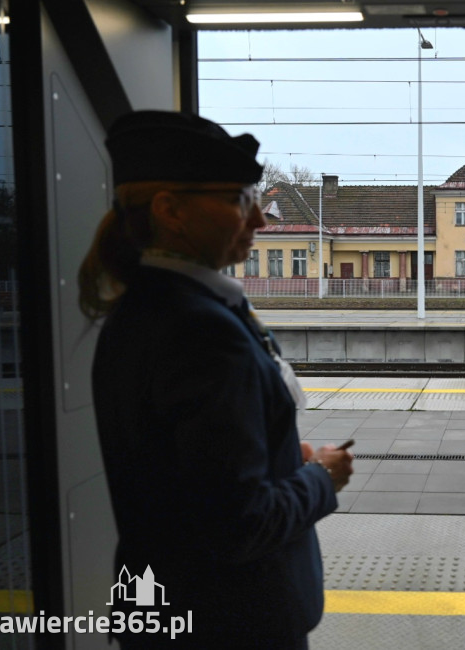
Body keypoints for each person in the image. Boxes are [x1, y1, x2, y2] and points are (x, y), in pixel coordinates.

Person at [78, 110, 353, 649]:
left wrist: (276, 458)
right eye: (235, 200)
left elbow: (182, 481)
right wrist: (321, 477)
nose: (259, 221)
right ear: (171, 210)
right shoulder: (201, 330)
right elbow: (239, 525)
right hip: (231, 623)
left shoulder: (143, 309)